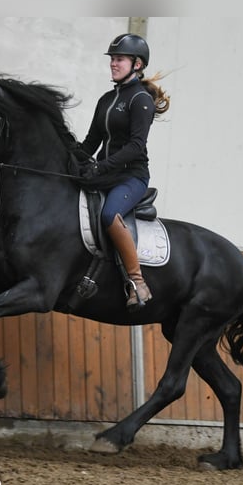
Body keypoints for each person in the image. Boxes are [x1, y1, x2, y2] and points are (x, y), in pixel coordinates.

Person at [76, 33, 170, 311]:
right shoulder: (106, 99)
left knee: (109, 214)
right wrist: (72, 159)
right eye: (112, 59)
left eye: (119, 59)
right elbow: (91, 141)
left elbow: (135, 146)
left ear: (137, 64)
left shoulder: (141, 100)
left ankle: (137, 282)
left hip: (131, 177)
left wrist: (100, 166)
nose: (113, 64)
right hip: (105, 174)